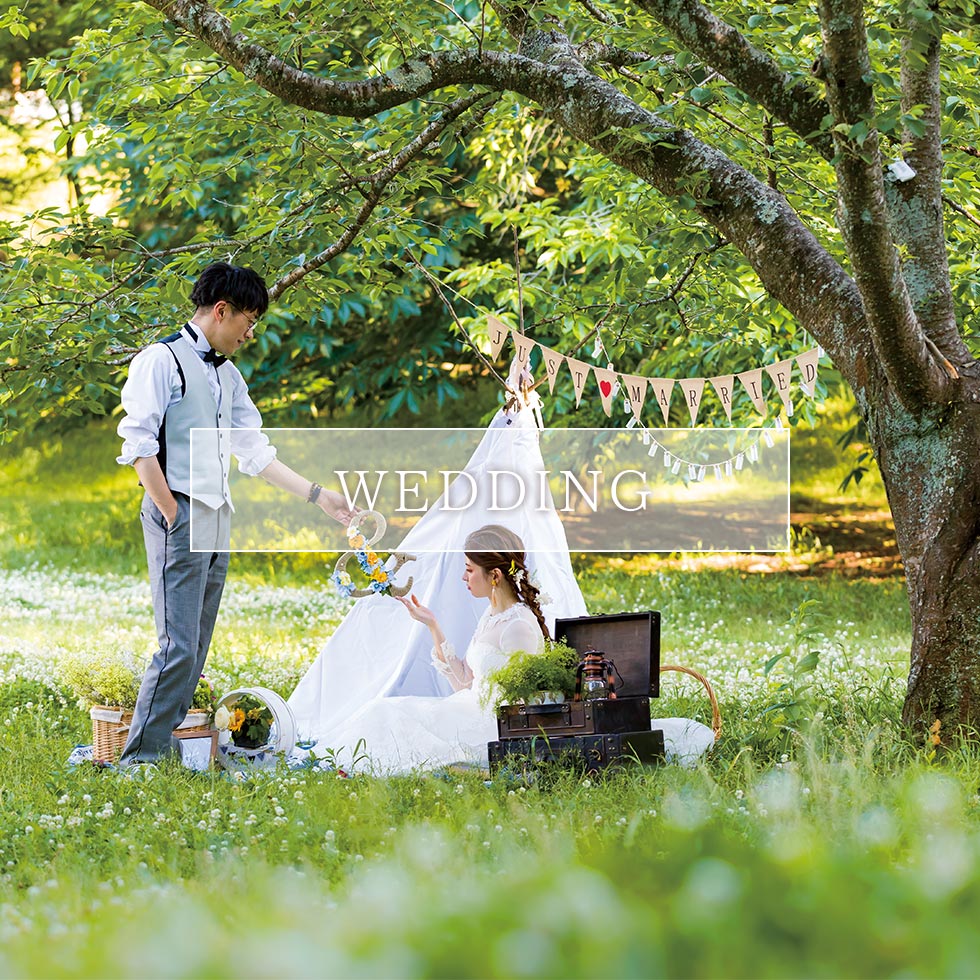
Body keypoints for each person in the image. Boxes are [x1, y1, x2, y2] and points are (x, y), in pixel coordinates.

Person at [116, 262, 355, 767]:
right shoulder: (161, 361)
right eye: (249, 320)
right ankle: (140, 759)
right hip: (178, 512)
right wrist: (171, 511)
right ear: (221, 311)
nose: (251, 332)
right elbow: (139, 447)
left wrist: (320, 496)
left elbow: (255, 453)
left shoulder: (230, 376)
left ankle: (166, 751)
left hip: (216, 517)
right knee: (177, 646)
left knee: (196, 647)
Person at [301, 524, 550, 773]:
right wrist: (432, 625)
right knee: (384, 710)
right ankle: (336, 761)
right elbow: (464, 681)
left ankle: (348, 766)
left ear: (494, 575)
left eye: (469, 570)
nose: (464, 577)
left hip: (490, 725)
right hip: (469, 707)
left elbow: (526, 705)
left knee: (393, 719)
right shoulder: (493, 613)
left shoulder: (518, 626)